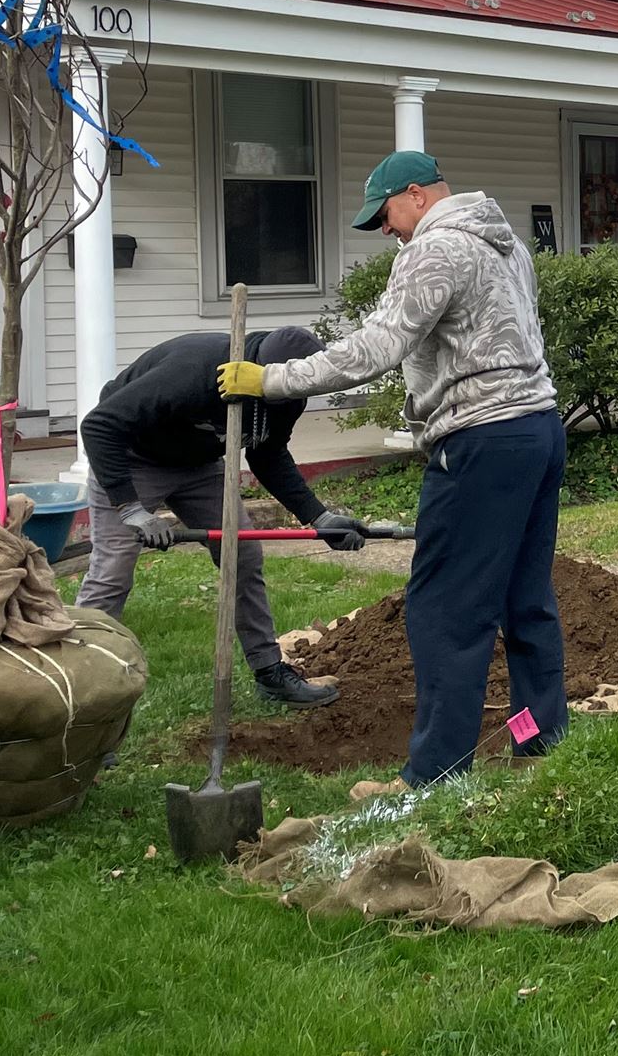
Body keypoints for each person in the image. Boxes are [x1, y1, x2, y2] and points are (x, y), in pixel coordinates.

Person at [214, 150, 566, 788]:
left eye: (384, 215)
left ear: (416, 195)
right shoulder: (508, 243)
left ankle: (437, 771)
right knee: (525, 597)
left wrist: (272, 379)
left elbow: (375, 347)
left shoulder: (435, 250)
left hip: (481, 442)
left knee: (443, 610)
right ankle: (537, 739)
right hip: (539, 430)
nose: (385, 230)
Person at [74, 327, 363, 707]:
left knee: (243, 556)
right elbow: (98, 426)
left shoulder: (290, 386)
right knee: (112, 570)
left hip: (199, 467)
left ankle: (269, 672)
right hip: (133, 459)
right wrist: (131, 509)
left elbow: (267, 453)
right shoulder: (194, 370)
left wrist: (319, 517)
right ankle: (78, 692)